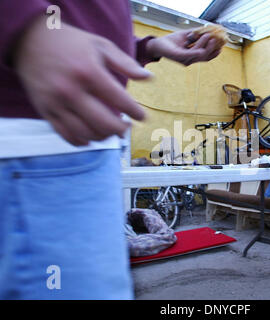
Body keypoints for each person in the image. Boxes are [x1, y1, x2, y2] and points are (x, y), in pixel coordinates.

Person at [0, 1, 223, 299]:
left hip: (82, 152)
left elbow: (88, 24)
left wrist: (150, 47)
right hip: (36, 149)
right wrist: (28, 30)